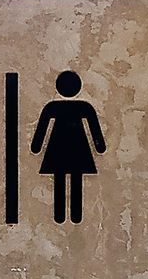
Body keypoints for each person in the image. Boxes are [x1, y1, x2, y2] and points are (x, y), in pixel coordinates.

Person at [30, 70, 105, 224]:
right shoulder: (84, 107)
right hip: (78, 147)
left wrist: (36, 146)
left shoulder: (53, 107)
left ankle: (60, 215)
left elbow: (41, 131)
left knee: (60, 179)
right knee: (74, 179)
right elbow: (95, 130)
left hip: (57, 147)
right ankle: (74, 215)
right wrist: (100, 147)